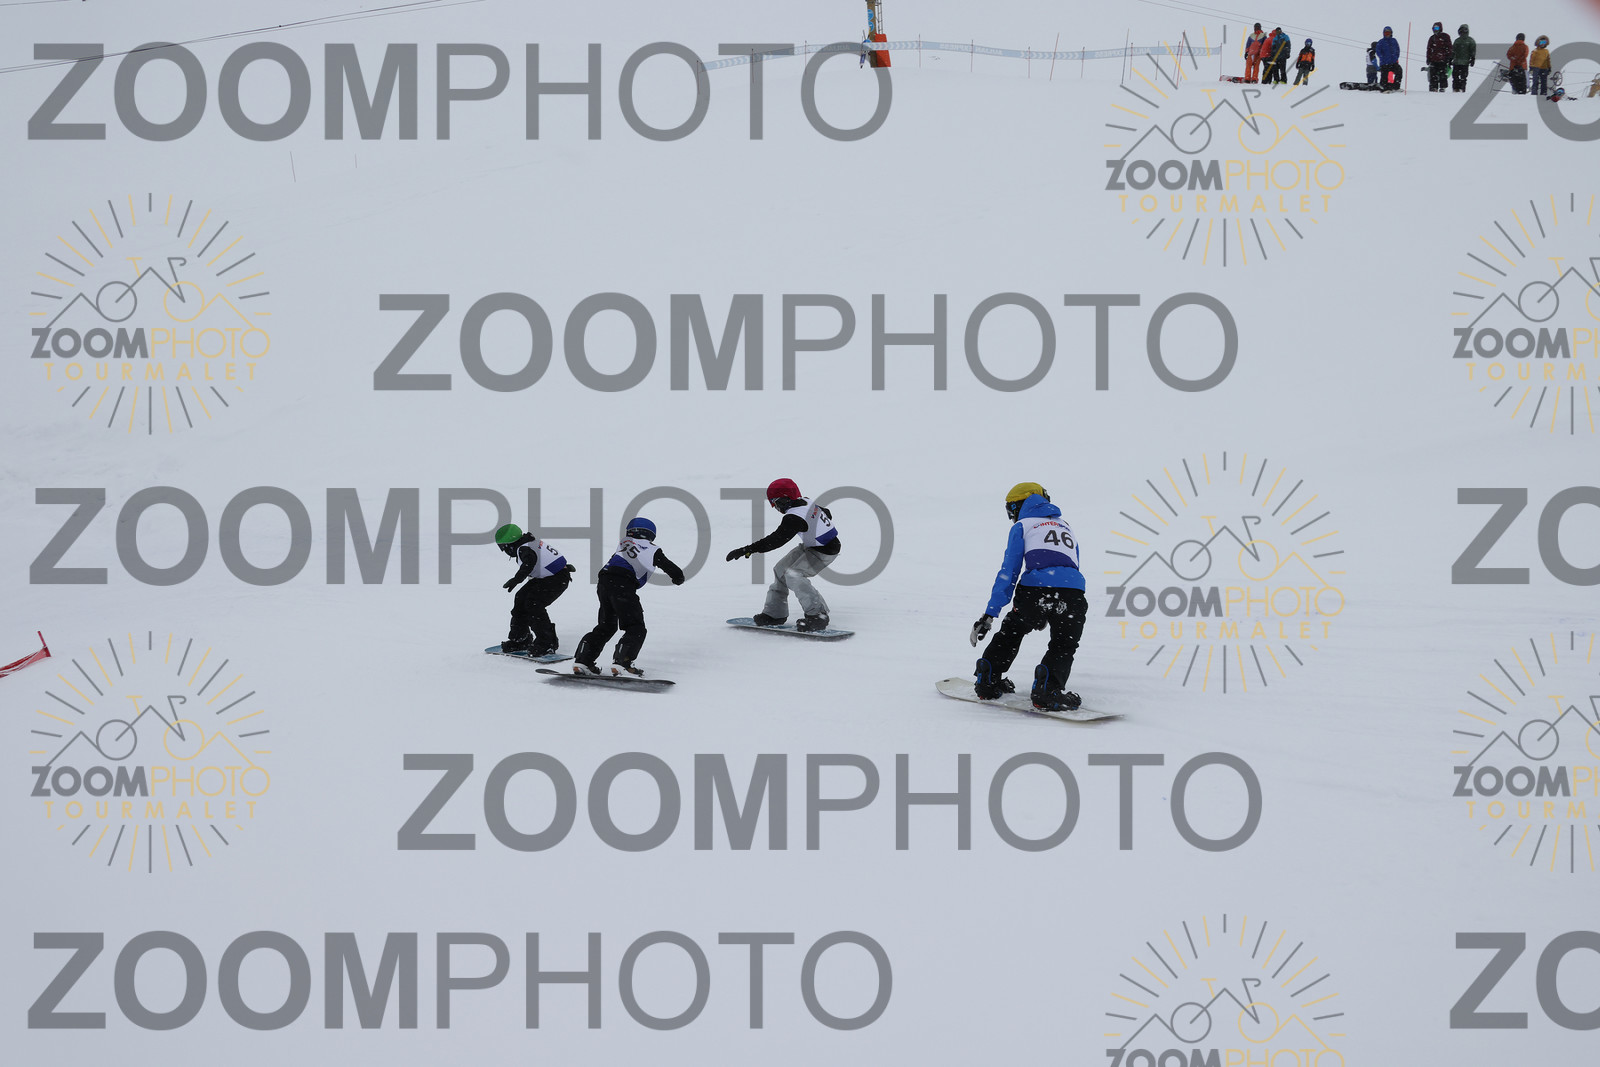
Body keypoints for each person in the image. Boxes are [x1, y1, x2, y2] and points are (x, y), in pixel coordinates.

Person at [969, 483, 1088, 712]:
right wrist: (1057, 604)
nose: (1011, 516)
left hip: (1035, 590)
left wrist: (990, 614)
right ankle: (1048, 689)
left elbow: (1008, 572)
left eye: (1011, 510)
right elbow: (1073, 564)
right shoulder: (1065, 525)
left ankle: (988, 677)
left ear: (1018, 506)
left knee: (1013, 630)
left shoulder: (1023, 526)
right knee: (1064, 642)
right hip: (1072, 592)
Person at [572, 517, 685, 677]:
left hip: (604, 582)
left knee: (606, 626)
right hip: (623, 585)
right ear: (651, 535)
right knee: (635, 627)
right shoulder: (653, 549)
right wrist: (678, 578)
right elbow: (670, 568)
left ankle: (583, 660)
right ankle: (623, 663)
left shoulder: (624, 543)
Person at [725, 477, 841, 632]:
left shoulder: (793, 517)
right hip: (812, 546)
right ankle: (775, 614)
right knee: (780, 570)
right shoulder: (805, 501)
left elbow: (775, 540)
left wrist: (748, 549)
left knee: (794, 575)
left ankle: (818, 616)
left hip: (825, 551)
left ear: (787, 499)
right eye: (774, 504)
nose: (778, 508)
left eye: (778, 503)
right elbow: (827, 513)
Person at [494, 523, 574, 655]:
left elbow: (529, 563)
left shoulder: (524, 549)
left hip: (557, 579)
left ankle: (547, 643)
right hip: (546, 577)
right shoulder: (527, 543)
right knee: (521, 598)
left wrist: (516, 579)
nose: (504, 551)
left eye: (503, 547)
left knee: (533, 604)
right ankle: (521, 639)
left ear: (510, 545)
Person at [1425, 22, 1452, 92]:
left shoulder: (1445, 37)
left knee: (1442, 73)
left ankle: (1442, 87)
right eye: (1434, 28)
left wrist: (1448, 58)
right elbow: (1429, 49)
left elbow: (1449, 48)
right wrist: (1428, 58)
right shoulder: (1432, 38)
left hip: (1443, 59)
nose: (1435, 30)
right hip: (1433, 60)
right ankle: (1434, 88)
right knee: (1433, 74)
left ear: (1440, 28)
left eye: (1437, 28)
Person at [1375, 26, 1402, 91]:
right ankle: (1384, 87)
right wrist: (1382, 58)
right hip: (1384, 63)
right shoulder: (1381, 42)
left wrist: (1396, 57)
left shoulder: (1394, 41)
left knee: (1399, 71)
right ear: (1383, 33)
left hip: (1393, 62)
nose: (1387, 34)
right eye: (1386, 33)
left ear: (1391, 33)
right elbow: (1378, 51)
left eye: (1388, 33)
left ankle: (1396, 87)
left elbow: (1397, 50)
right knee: (1384, 75)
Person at [1452, 24, 1477, 93]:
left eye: (1464, 30)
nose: (1463, 32)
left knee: (1461, 77)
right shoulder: (1458, 41)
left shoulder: (1470, 41)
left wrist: (1472, 58)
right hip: (1458, 62)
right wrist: (1450, 58)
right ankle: (1457, 89)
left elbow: (1473, 51)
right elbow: (1453, 50)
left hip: (1463, 62)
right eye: (1461, 30)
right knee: (1457, 77)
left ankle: (1460, 89)